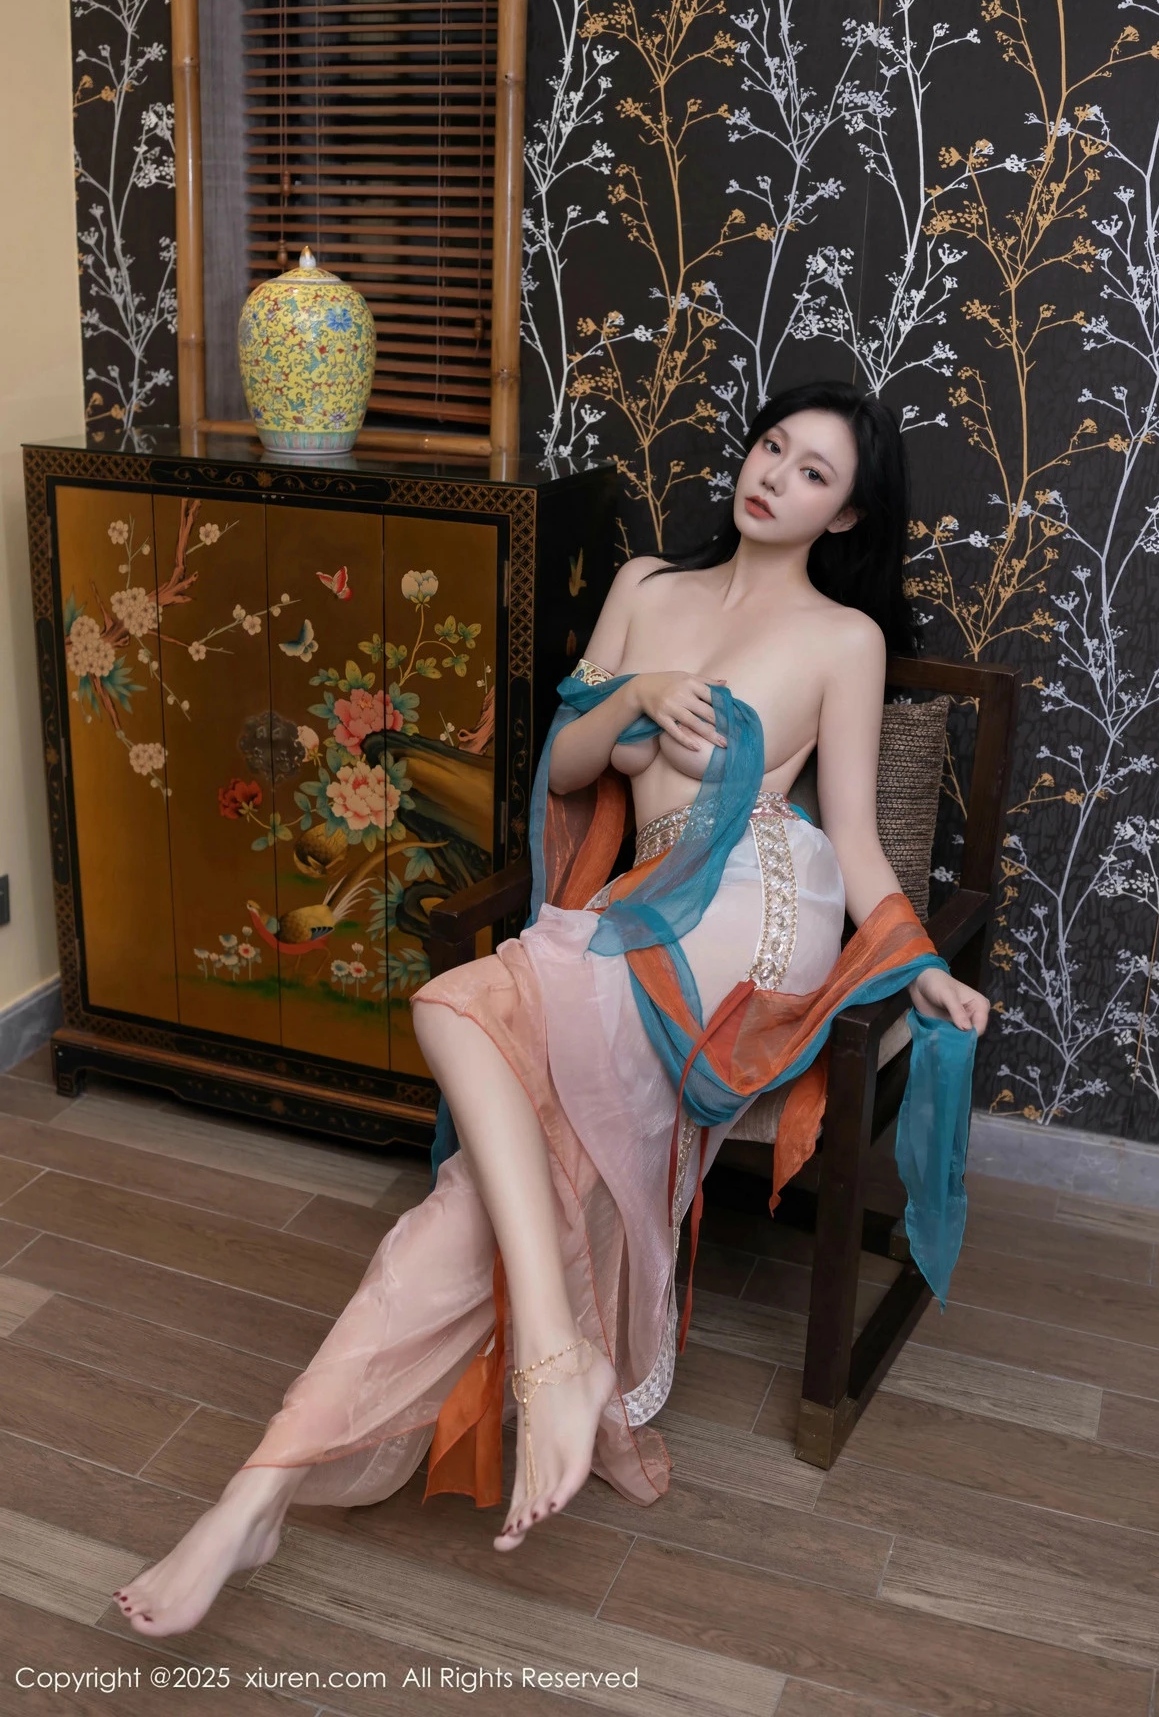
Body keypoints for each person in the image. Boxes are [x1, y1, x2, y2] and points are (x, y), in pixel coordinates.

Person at [112, 381, 989, 1637]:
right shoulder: (644, 586)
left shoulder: (842, 638)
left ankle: (422, 1419)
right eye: (771, 447)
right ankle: (277, 1485)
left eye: (813, 473)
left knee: (458, 1008)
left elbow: (850, 837)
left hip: (756, 913)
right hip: (639, 907)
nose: (774, 476)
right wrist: (634, 698)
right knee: (474, 1142)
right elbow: (572, 771)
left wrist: (917, 963)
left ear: (846, 514)